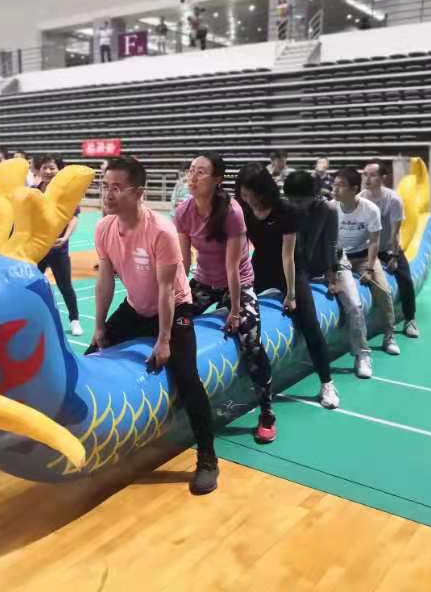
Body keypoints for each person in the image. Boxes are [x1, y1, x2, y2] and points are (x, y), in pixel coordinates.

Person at [87, 156, 219, 495]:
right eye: (105, 186)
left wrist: (163, 340)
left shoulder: (161, 231)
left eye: (117, 188)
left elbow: (166, 290)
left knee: (187, 376)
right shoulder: (104, 228)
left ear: (138, 193)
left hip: (175, 307)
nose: (108, 194)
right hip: (135, 307)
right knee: (89, 355)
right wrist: (99, 328)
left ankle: (207, 457)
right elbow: (105, 282)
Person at [175, 153, 277, 443]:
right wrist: (177, 299)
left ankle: (267, 411)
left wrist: (234, 311)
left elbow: (233, 267)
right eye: (191, 170)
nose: (193, 177)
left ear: (218, 179)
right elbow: (183, 262)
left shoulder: (231, 211)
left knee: (251, 342)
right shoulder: (183, 211)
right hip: (204, 282)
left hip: (239, 284)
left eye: (201, 172)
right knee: (172, 322)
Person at [236, 163, 340, 409]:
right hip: (260, 265)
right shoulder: (243, 209)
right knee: (233, 308)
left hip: (291, 268)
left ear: (262, 190)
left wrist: (291, 294)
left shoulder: (285, 210)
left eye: (250, 193)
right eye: (243, 193)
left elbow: (288, 256)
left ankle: (327, 383)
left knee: (310, 324)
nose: (246, 198)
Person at [284, 171, 372, 378]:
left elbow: (331, 244)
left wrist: (332, 276)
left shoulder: (328, 209)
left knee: (354, 304)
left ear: (313, 195)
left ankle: (362, 353)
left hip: (333, 262)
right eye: (291, 199)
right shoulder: (287, 209)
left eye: (299, 200)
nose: (295, 204)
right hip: (302, 266)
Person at [333, 168, 400, 355]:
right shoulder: (331, 208)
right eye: (334, 185)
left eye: (341, 185)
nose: (335, 189)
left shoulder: (370, 209)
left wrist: (370, 269)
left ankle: (389, 335)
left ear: (354, 189)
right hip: (340, 258)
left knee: (384, 291)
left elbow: (374, 241)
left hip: (363, 257)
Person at [361, 160, 419, 338]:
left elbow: (395, 232)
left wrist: (394, 256)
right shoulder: (361, 197)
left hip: (387, 248)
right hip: (367, 248)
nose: (367, 179)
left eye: (372, 175)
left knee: (405, 279)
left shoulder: (393, 199)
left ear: (383, 177)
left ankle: (410, 319)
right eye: (365, 175)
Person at [35, 155, 83, 336]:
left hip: (58, 249)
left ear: (59, 171)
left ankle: (75, 320)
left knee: (65, 286)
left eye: (52, 168)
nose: (48, 171)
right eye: (45, 168)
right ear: (39, 170)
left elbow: (73, 217)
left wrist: (65, 237)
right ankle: (33, 317)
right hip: (37, 249)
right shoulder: (34, 192)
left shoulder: (66, 193)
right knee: (31, 284)